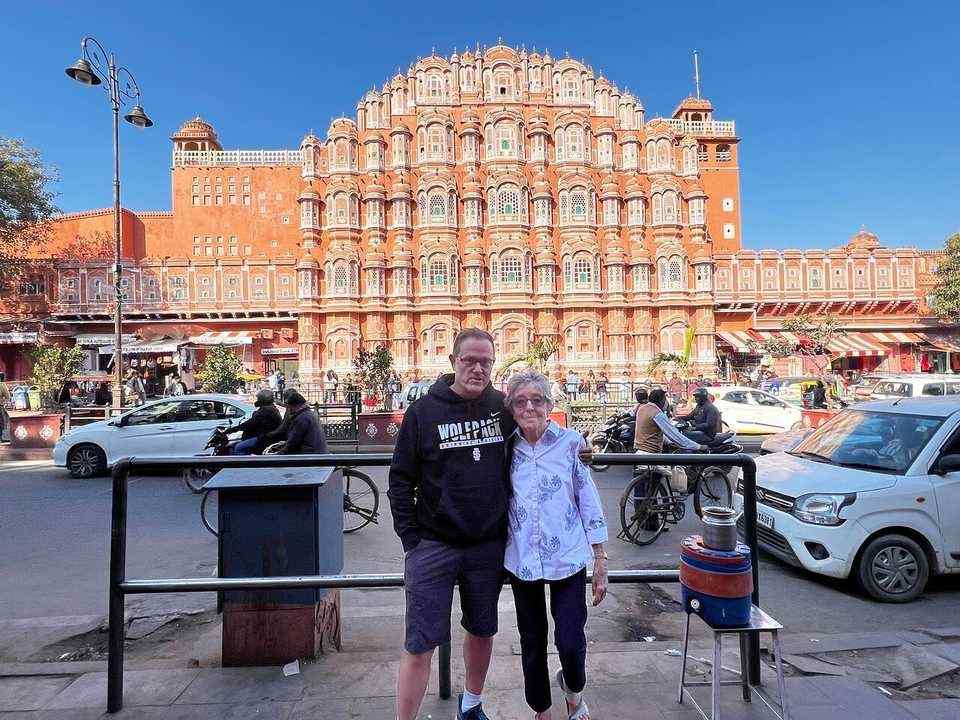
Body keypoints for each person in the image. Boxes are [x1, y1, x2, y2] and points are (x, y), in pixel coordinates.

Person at [387, 328, 516, 720]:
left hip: (485, 544)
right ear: (453, 362)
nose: (478, 369)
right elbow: (399, 479)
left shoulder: (503, 408)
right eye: (469, 360)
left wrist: (574, 443)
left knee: (482, 629)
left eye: (486, 362)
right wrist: (412, 539)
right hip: (433, 544)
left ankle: (471, 705)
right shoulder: (424, 412)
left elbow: (538, 432)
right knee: (420, 641)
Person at [503, 370, 608, 720]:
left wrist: (600, 559)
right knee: (531, 643)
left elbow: (588, 499)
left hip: (567, 557)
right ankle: (541, 710)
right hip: (522, 560)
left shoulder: (571, 443)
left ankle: (574, 692)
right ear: (511, 409)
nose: (529, 407)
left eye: (537, 400)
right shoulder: (506, 449)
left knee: (570, 640)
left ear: (549, 405)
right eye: (520, 401)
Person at [634, 388, 707, 454]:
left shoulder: (642, 408)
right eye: (665, 399)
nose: (666, 402)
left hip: (640, 452)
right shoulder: (657, 413)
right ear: (661, 400)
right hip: (650, 455)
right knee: (675, 469)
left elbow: (653, 432)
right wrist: (698, 447)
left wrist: (670, 442)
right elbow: (673, 434)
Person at [231, 389, 284, 455]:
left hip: (264, 438)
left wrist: (233, 429)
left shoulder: (267, 410)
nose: (257, 400)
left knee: (238, 448)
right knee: (233, 445)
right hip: (262, 436)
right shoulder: (269, 408)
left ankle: (244, 464)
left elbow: (250, 423)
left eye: (259, 398)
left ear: (263, 400)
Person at [275, 390, 327, 454]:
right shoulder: (308, 414)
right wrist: (285, 443)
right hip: (318, 453)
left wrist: (278, 453)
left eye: (288, 407)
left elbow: (293, 443)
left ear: (294, 406)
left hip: (310, 456)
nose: (288, 410)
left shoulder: (301, 419)